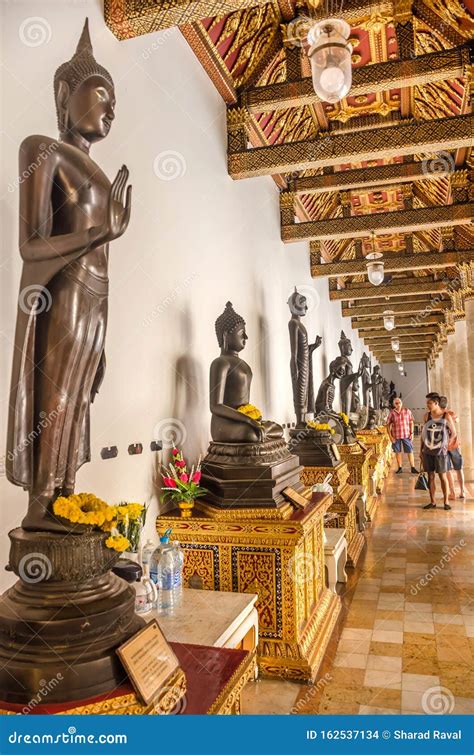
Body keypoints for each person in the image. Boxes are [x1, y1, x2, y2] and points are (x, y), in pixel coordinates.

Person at [420, 393, 457, 510]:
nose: (427, 405)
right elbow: (423, 434)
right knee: (430, 476)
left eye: (429, 403)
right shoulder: (427, 416)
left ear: (436, 403)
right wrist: (421, 450)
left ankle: (446, 502)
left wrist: (446, 445)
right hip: (428, 451)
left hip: (441, 452)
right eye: (427, 403)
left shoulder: (446, 416)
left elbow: (454, 433)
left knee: (442, 477)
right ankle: (433, 502)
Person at [439, 396, 466, 500]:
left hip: (445, 446)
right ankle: (462, 491)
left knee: (448, 470)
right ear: (446, 404)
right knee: (459, 469)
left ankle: (452, 493)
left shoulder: (440, 415)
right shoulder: (451, 413)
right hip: (454, 445)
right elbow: (457, 420)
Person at [386, 397, 418, 474]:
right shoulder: (392, 413)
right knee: (398, 452)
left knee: (410, 451)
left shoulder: (407, 411)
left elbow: (411, 422)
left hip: (406, 435)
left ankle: (412, 467)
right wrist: (390, 437)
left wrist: (412, 433)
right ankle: (400, 468)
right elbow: (388, 425)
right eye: (396, 403)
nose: (398, 404)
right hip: (396, 436)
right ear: (394, 404)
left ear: (402, 403)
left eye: (399, 402)